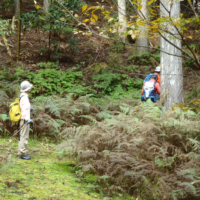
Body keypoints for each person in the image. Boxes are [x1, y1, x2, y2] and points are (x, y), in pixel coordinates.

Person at [18, 81, 34, 160]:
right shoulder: (24, 98)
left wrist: (29, 110)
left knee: (23, 136)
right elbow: (24, 111)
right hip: (24, 120)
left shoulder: (23, 96)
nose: (30, 88)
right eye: (29, 87)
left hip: (24, 119)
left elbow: (24, 108)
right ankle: (22, 154)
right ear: (27, 89)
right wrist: (28, 119)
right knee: (24, 137)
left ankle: (22, 152)